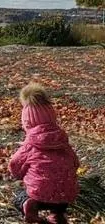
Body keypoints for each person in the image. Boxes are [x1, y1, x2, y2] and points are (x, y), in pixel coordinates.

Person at [9, 82, 79, 224]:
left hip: (38, 194)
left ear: (27, 123)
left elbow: (15, 164)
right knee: (62, 192)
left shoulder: (30, 145)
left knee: (19, 197)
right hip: (65, 195)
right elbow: (75, 163)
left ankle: (30, 206)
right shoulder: (63, 142)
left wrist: (19, 175)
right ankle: (57, 215)